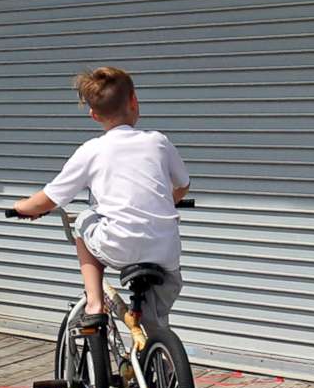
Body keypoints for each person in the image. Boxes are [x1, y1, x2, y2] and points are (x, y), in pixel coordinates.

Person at [11, 66, 190, 333]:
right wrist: (165, 200)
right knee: (155, 323)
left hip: (118, 244)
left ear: (94, 115)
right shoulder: (158, 142)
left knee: (83, 220)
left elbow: (48, 199)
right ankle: (159, 356)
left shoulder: (92, 150)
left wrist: (21, 207)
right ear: (134, 101)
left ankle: (95, 304)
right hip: (164, 251)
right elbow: (182, 185)